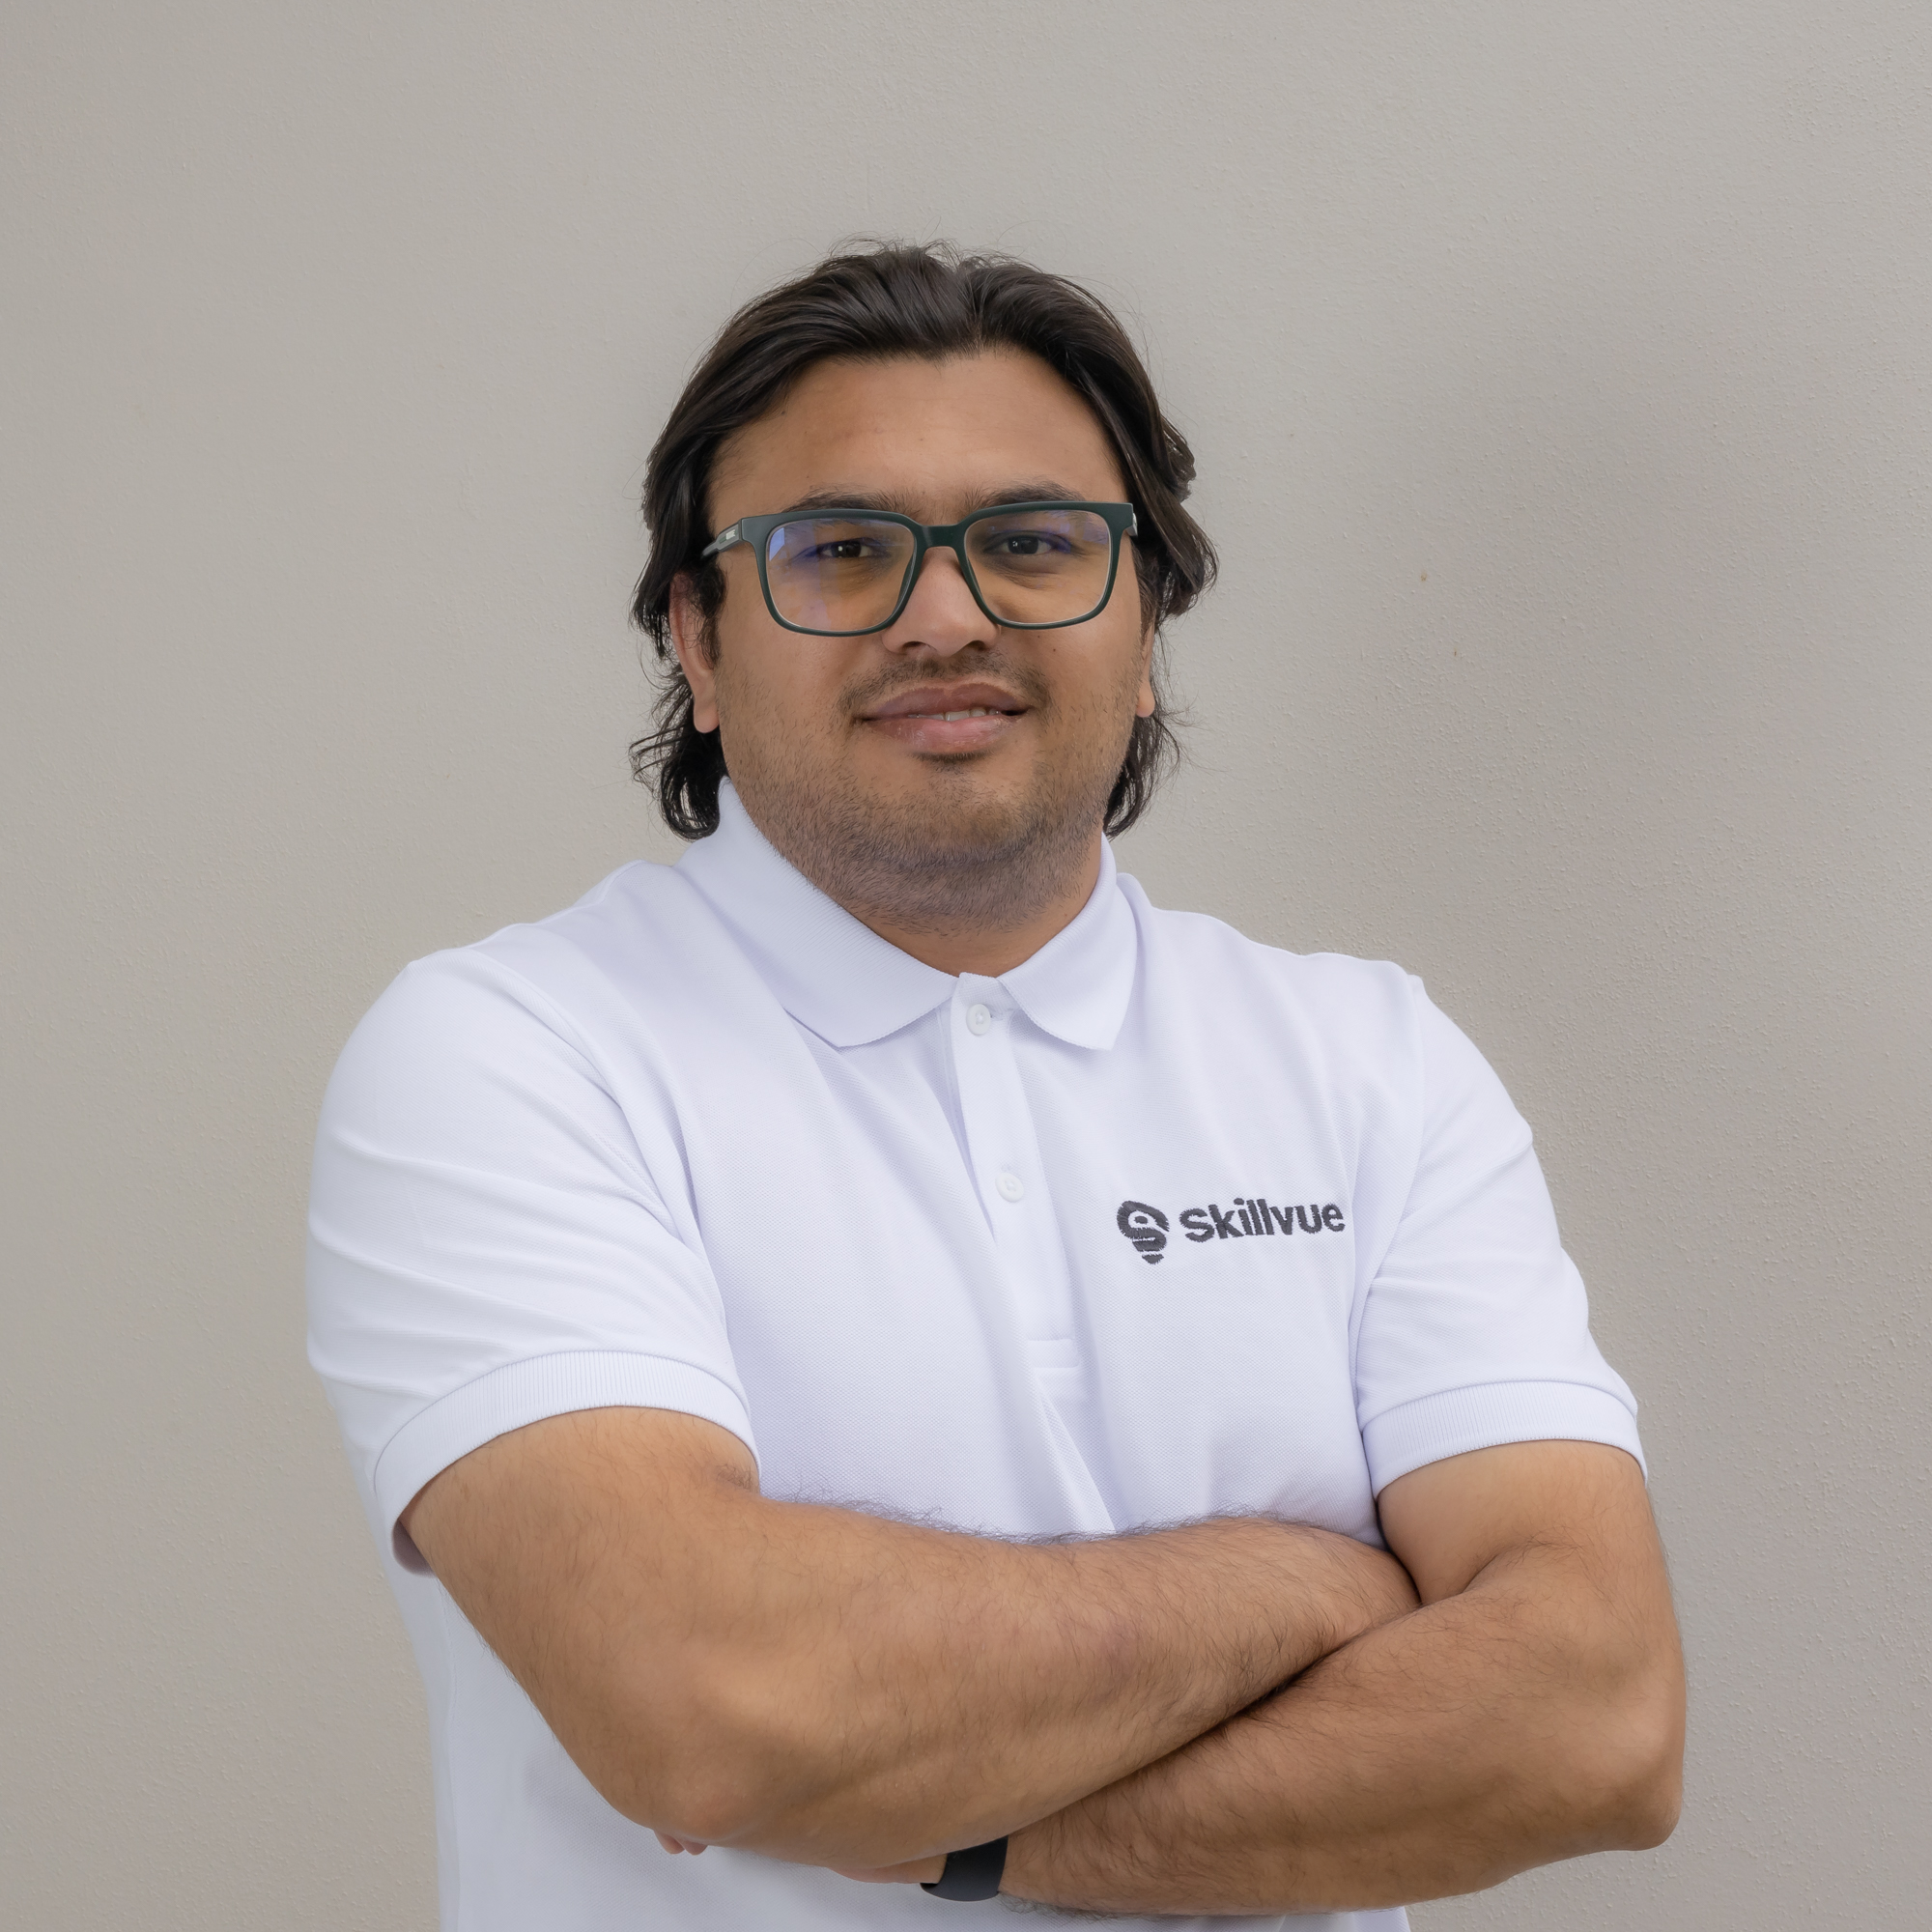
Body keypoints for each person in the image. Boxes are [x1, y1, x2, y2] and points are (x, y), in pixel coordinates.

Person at [306, 242, 1684, 1931]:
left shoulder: (1368, 1060)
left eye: (1033, 542)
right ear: (700, 643)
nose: (945, 616)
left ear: (1146, 624)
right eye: (840, 550)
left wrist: (952, 1837)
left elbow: (1597, 1720)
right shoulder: (513, 1054)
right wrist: (1318, 1584)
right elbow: (708, 1702)